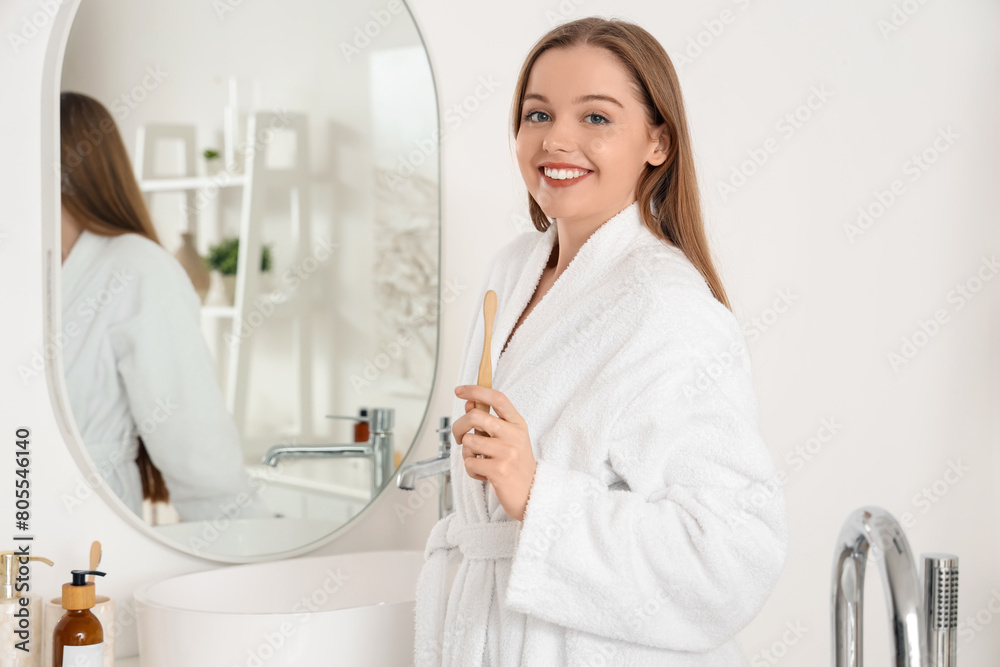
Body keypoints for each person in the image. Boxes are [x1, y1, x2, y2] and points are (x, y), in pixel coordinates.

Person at [413, 17, 787, 666]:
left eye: (596, 118)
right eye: (538, 114)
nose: (556, 139)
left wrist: (538, 494)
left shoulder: (667, 307)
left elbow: (731, 554)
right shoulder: (512, 270)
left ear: (658, 142)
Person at [58, 91, 270, 523]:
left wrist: (240, 544)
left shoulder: (137, 270)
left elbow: (196, 445)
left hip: (89, 529)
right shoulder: (23, 274)